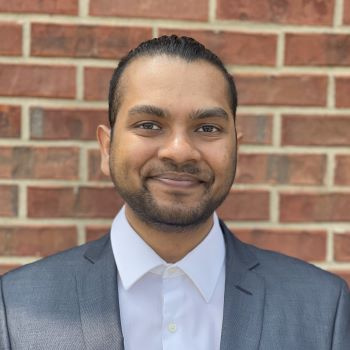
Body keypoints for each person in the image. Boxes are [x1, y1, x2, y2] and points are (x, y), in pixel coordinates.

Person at [0, 35, 349, 350]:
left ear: (235, 150)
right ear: (106, 149)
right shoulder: (14, 308)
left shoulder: (322, 306)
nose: (180, 151)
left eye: (208, 128)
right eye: (149, 125)